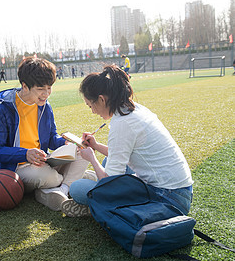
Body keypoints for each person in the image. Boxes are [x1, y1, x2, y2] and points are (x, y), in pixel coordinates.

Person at [61, 65, 193, 217]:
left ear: (102, 99)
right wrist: (96, 145)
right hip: (180, 191)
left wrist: (91, 157)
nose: (93, 111)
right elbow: (121, 153)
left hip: (167, 199)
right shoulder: (134, 109)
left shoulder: (123, 123)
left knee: (78, 188)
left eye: (91, 105)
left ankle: (97, 206)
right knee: (107, 163)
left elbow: (108, 182)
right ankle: (99, 202)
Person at [0, 56, 89, 211]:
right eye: (41, 89)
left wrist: (68, 143)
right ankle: (72, 180)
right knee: (44, 175)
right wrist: (25, 154)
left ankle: (62, 188)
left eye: (49, 88)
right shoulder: (3, 109)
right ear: (25, 86)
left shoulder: (45, 107)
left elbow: (51, 139)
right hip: (17, 168)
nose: (46, 94)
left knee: (83, 151)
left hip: (44, 161)